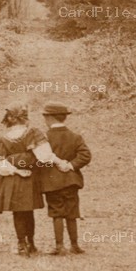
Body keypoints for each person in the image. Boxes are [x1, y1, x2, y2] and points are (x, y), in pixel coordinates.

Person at [35, 102, 91, 254]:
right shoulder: (75, 137)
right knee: (72, 213)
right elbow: (85, 156)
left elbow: (39, 158)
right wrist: (71, 166)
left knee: (57, 213)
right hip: (71, 181)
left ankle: (59, 246)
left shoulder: (43, 138)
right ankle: (75, 245)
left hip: (52, 183)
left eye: (45, 116)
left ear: (49, 118)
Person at [0, 105, 44, 256]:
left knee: (18, 213)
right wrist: (29, 160)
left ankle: (22, 243)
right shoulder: (32, 134)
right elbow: (43, 156)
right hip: (29, 177)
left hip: (12, 179)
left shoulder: (3, 140)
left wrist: (15, 169)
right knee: (28, 211)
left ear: (9, 119)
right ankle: (31, 242)